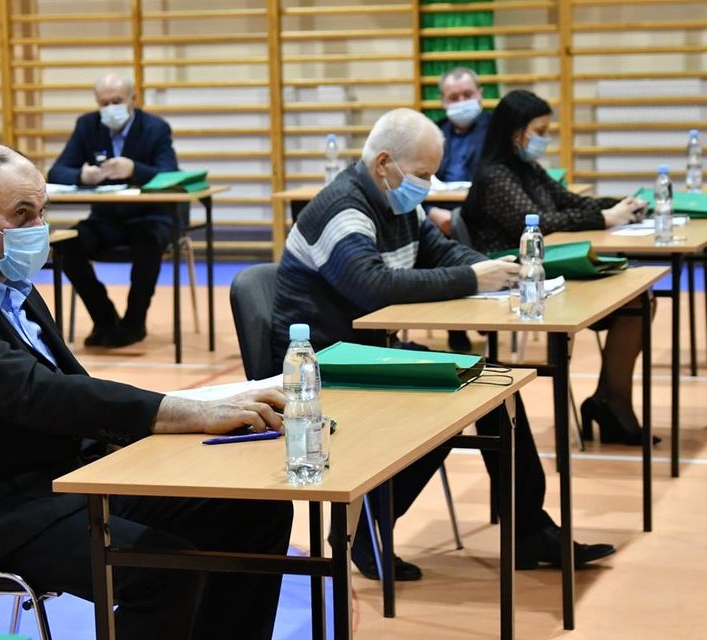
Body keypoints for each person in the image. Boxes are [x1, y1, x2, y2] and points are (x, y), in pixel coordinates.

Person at [0, 144, 293, 640]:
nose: (39, 227)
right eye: (22, 214)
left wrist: (165, 426)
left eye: (42, 211)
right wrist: (188, 411)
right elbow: (36, 393)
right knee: (162, 568)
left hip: (56, 482)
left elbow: (70, 388)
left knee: (253, 512)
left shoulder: (2, 278)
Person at [270, 108, 614, 581]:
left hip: (369, 351)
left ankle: (529, 528)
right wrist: (473, 277)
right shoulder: (342, 208)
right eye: (423, 174)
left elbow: (442, 252)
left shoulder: (397, 202)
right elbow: (373, 287)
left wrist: (498, 273)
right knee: (453, 394)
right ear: (384, 163)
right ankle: (368, 528)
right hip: (323, 364)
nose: (429, 185)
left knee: (490, 383)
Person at [461, 89, 654, 447]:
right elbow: (541, 222)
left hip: (544, 270)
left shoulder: (527, 168)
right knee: (634, 300)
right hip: (513, 280)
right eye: (540, 131)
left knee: (639, 299)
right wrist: (604, 218)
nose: (545, 139)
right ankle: (611, 405)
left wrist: (623, 205)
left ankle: (610, 400)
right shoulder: (495, 175)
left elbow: (570, 201)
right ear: (515, 132)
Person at [48, 73, 178, 348]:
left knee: (148, 243)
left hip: (149, 217)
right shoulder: (88, 125)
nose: (110, 109)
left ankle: (134, 323)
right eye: (104, 103)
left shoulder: (155, 128)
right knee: (66, 245)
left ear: (133, 99)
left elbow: (170, 176)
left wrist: (134, 169)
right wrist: (82, 176)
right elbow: (57, 171)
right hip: (105, 219)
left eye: (116, 101)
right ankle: (105, 319)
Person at [429, 67, 492, 352]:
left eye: (467, 94)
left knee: (462, 232)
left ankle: (482, 309)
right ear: (443, 101)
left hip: (481, 214)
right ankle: (455, 324)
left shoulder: (494, 132)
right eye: (454, 97)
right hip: (437, 217)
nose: (461, 102)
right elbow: (414, 179)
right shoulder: (433, 133)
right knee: (433, 241)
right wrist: (431, 212)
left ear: (480, 95)